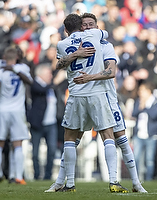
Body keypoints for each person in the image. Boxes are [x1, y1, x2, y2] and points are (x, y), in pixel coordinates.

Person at [45, 12, 146, 193]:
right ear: (80, 27)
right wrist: (78, 53)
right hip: (92, 96)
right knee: (74, 140)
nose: (87, 27)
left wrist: (90, 76)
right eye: (84, 24)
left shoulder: (105, 46)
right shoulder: (93, 38)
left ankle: (136, 183)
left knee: (121, 139)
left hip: (106, 95)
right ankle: (62, 182)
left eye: (91, 24)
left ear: (96, 26)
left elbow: (112, 71)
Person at [55, 13, 125, 192]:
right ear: (81, 26)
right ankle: (113, 181)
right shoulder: (94, 35)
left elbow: (58, 65)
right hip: (96, 92)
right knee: (108, 136)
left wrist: (74, 54)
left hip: (76, 94)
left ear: (65, 30)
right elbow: (106, 34)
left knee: (70, 139)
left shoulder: (62, 44)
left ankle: (70, 184)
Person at [0, 47, 33, 185]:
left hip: (2, 110)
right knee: (17, 144)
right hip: (17, 112)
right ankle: (18, 177)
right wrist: (16, 70)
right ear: (16, 57)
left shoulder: (0, 71)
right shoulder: (23, 68)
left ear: (5, 57)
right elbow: (30, 81)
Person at [27, 63, 58, 180]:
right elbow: (41, 90)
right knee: (35, 152)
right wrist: (55, 82)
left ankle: (48, 175)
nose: (51, 76)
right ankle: (36, 174)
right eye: (49, 73)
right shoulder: (35, 84)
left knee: (52, 150)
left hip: (51, 123)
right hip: (37, 123)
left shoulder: (49, 87)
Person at [132, 81, 157, 181]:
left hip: (151, 135)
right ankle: (136, 179)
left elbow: (154, 115)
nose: (140, 92)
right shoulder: (138, 101)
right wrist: (141, 106)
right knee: (135, 158)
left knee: (149, 160)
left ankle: (149, 179)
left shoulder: (156, 102)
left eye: (142, 90)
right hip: (139, 134)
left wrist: (145, 106)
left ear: (148, 91)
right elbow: (134, 113)